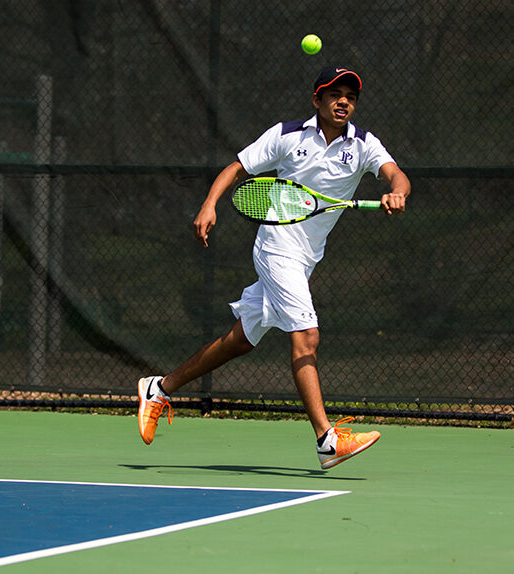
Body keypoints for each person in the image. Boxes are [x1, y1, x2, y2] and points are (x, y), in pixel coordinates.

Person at [138, 66, 411, 469]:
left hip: (306, 258)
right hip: (276, 246)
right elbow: (237, 168)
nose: (343, 101)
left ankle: (159, 388)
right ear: (317, 100)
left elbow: (396, 175)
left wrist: (397, 193)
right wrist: (209, 204)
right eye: (334, 94)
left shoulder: (365, 145)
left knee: (241, 340)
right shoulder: (286, 135)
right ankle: (327, 440)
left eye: (350, 96)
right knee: (307, 336)